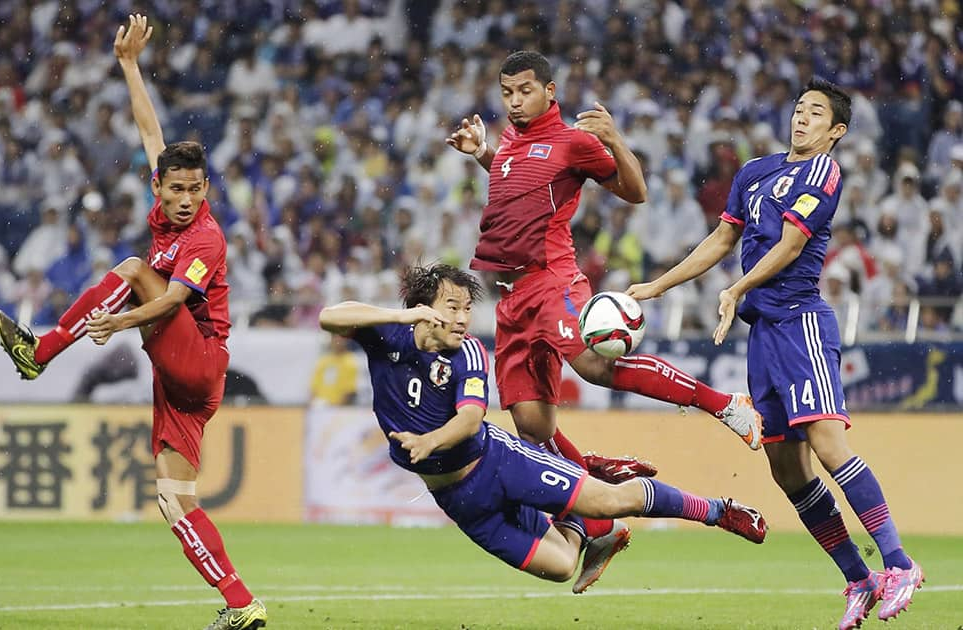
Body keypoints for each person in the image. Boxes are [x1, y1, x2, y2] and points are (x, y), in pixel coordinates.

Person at [0, 16, 266, 630]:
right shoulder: (167, 203)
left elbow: (169, 303)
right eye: (177, 189)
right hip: (181, 387)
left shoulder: (205, 238)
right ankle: (241, 602)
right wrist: (130, 66)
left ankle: (43, 351)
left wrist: (118, 325)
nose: (188, 198)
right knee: (174, 501)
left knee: (136, 268)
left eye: (197, 189)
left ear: (205, 192)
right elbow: (150, 131)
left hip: (199, 359)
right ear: (161, 188)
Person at [628, 78, 924, 630]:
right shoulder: (754, 172)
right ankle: (857, 578)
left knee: (827, 442)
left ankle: (899, 563)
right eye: (799, 109)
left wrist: (737, 289)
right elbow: (721, 241)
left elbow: (790, 245)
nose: (802, 118)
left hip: (801, 320)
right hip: (763, 333)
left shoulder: (823, 173)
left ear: (836, 132)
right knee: (786, 468)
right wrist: (659, 286)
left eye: (816, 114)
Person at [445, 51, 763, 548]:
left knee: (594, 366)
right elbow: (519, 185)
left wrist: (614, 138)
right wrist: (484, 153)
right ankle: (599, 521)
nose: (514, 101)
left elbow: (635, 191)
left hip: (552, 280)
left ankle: (725, 404)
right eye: (507, 93)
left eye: (525, 91)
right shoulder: (510, 141)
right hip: (509, 299)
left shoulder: (571, 142)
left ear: (550, 91)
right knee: (532, 429)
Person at [319, 263, 767, 595]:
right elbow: (330, 316)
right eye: (451, 308)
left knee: (612, 499)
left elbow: (471, 419)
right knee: (560, 567)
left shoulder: (468, 353)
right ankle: (580, 496)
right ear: (423, 309)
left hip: (497, 462)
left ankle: (717, 510)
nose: (461, 318)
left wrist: (429, 441)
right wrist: (397, 317)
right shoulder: (387, 337)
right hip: (457, 498)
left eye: (467, 308)